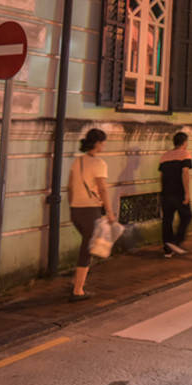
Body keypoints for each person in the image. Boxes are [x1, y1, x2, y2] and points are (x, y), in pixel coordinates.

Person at [68, 127, 115, 301]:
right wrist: (109, 212)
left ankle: (77, 280)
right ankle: (78, 289)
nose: (104, 146)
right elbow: (102, 189)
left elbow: (70, 187)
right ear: (97, 143)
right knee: (88, 249)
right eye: (103, 142)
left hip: (76, 210)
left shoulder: (77, 162)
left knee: (91, 246)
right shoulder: (99, 164)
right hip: (90, 210)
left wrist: (72, 206)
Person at [158, 131, 192, 258]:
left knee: (167, 220)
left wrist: (162, 193)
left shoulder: (165, 156)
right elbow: (185, 173)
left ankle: (167, 249)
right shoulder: (185, 154)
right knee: (187, 216)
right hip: (179, 192)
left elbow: (161, 176)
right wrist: (187, 193)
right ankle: (176, 242)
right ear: (184, 142)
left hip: (166, 193)